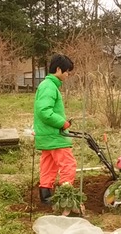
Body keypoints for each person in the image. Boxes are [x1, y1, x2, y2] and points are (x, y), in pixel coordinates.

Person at [33, 53, 76, 205]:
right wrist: (62, 123)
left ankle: (46, 197)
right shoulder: (49, 86)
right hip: (54, 135)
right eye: (67, 72)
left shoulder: (46, 85)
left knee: (48, 166)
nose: (68, 75)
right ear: (58, 69)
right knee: (68, 165)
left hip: (46, 135)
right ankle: (65, 197)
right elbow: (44, 111)